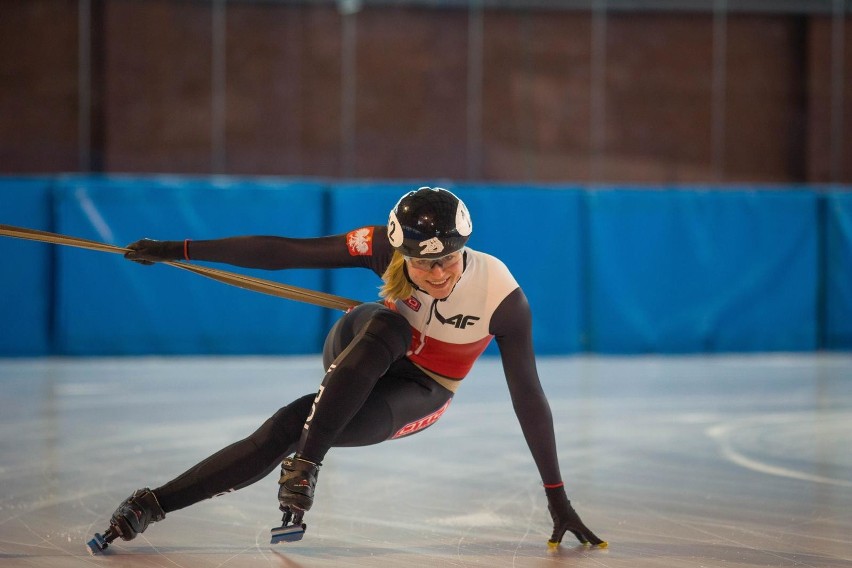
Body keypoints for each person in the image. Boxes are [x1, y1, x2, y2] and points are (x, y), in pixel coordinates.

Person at [104, 186, 605, 549]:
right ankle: (306, 468)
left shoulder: (503, 297)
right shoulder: (380, 246)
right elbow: (283, 252)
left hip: (422, 388)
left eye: (449, 261)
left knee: (288, 425)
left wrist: (556, 495)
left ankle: (152, 504)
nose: (438, 275)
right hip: (363, 344)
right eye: (423, 264)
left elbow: (529, 397)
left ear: (463, 247)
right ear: (400, 251)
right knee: (392, 327)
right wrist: (178, 250)